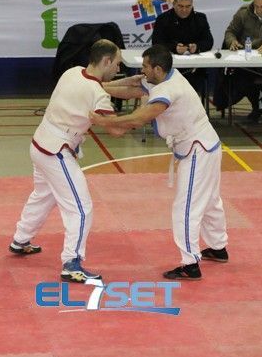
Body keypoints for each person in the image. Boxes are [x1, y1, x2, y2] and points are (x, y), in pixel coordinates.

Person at [90, 45, 228, 280]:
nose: (142, 70)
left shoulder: (169, 90)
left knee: (186, 207)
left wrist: (104, 121)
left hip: (198, 150)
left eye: (145, 66)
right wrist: (97, 86)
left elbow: (140, 118)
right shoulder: (166, 77)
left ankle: (190, 264)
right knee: (210, 200)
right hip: (206, 146)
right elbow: (133, 89)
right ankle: (218, 247)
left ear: (158, 69)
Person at [9, 39, 142, 283]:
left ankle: (20, 239)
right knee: (81, 209)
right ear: (106, 61)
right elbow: (116, 130)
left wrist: (129, 84)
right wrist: (142, 115)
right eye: (117, 64)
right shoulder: (97, 95)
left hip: (39, 144)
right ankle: (72, 263)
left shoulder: (73, 72)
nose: (119, 68)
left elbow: (100, 86)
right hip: (56, 152)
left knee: (43, 196)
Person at [151, 0, 214, 103]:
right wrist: (174, 48)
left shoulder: (200, 18)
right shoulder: (163, 19)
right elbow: (156, 43)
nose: (184, 10)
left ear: (192, 4)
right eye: (180, 6)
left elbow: (209, 41)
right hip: (169, 69)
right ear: (174, 4)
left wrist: (197, 47)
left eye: (188, 6)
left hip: (195, 69)